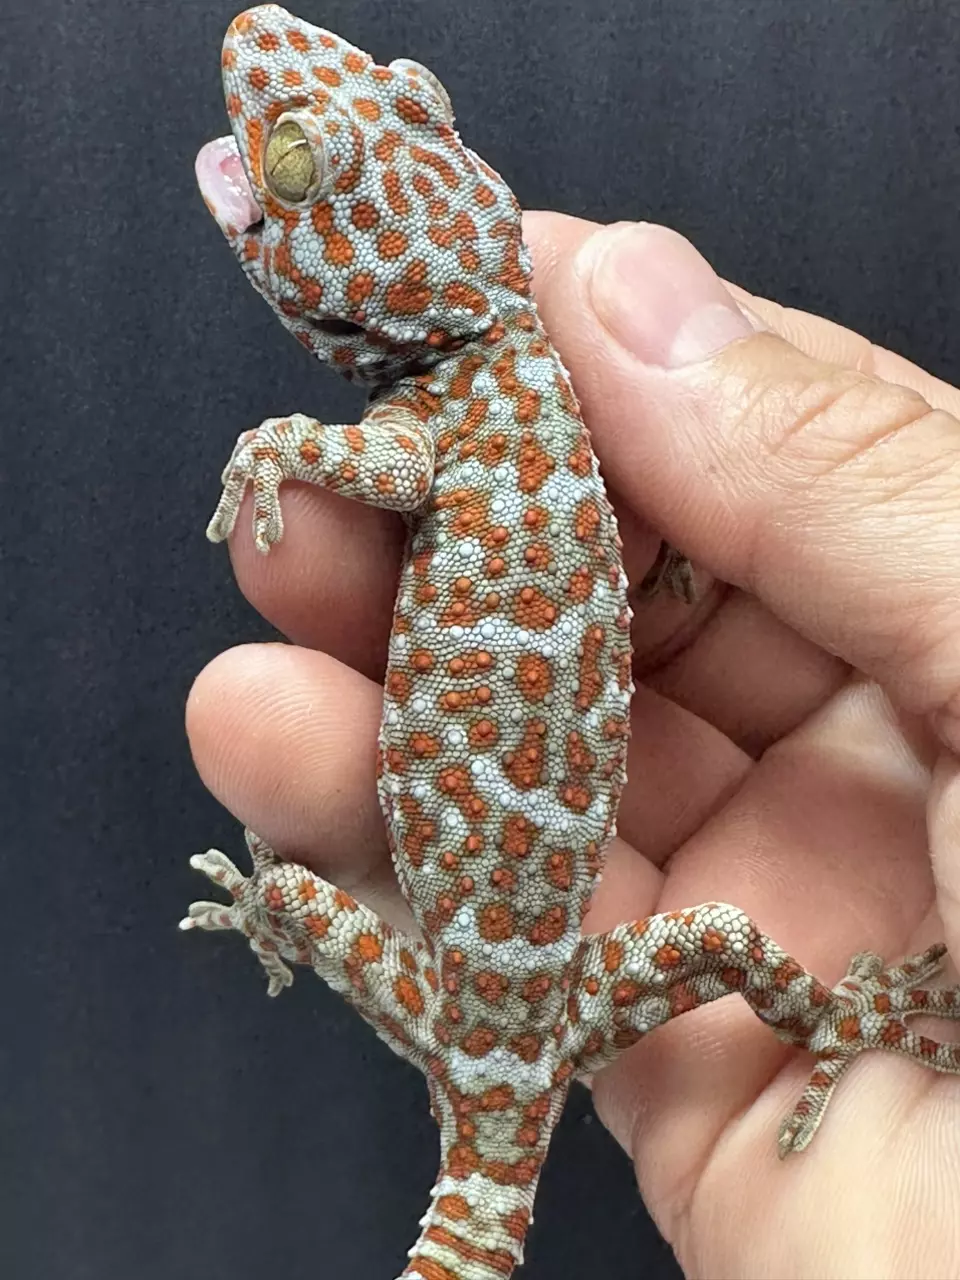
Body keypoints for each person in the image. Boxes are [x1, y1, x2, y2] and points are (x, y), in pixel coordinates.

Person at [185, 215, 960, 1278]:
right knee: (724, 937)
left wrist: (290, 446)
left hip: (468, 1005)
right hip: (541, 1005)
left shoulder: (458, 399)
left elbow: (387, 463)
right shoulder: (495, 384)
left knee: (288, 878)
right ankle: (838, 1018)